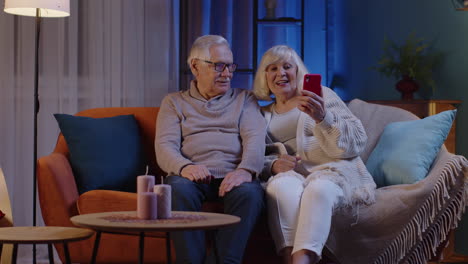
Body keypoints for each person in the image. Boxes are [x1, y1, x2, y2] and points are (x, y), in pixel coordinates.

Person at [253, 45, 376, 264]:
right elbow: (252, 156)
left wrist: (323, 117)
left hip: (334, 171)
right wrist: (272, 166)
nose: (280, 73)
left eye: (287, 66)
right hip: (292, 176)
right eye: (272, 69)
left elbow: (356, 142)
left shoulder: (321, 95)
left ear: (298, 71)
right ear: (265, 77)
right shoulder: (261, 114)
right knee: (278, 187)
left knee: (317, 189)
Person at [155, 35, 266, 264]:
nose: (227, 74)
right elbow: (165, 145)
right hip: (191, 176)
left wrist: (245, 170)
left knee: (251, 193)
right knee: (176, 189)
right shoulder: (174, 102)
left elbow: (255, 139)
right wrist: (184, 166)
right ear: (195, 66)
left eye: (230, 66)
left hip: (233, 175)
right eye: (219, 66)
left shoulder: (245, 99)